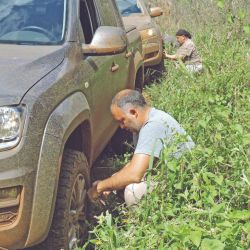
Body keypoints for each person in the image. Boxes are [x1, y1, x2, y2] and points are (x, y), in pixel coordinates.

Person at [87, 89, 195, 206]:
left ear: (133, 112)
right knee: (117, 179)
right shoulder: (141, 126)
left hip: (186, 182)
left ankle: (149, 221)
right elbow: (136, 164)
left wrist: (99, 188)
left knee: (133, 191)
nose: (121, 127)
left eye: (122, 121)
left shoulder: (153, 125)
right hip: (171, 174)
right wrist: (109, 183)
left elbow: (135, 174)